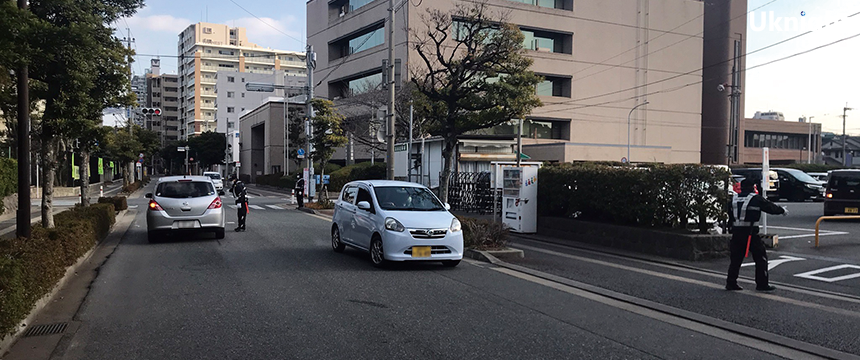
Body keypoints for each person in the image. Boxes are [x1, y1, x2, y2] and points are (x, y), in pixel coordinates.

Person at [726, 178, 787, 291]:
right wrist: (782, 210)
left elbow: (729, 214)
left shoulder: (733, 199)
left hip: (736, 233)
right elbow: (770, 207)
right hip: (750, 234)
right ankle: (762, 284)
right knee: (760, 258)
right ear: (752, 187)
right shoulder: (755, 199)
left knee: (735, 259)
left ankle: (731, 282)